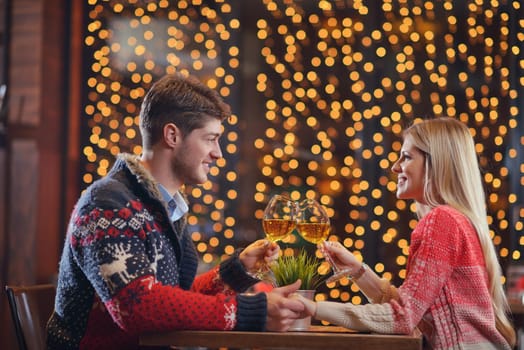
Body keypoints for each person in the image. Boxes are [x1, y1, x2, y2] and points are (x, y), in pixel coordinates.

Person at [46, 73, 304, 350]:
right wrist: (252, 311)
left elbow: (172, 300)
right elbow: (138, 308)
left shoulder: (165, 208)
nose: (218, 153)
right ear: (172, 135)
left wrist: (235, 272)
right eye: (210, 139)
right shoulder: (107, 203)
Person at [294, 117, 516, 349]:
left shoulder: (441, 221)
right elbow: (413, 306)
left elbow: (403, 317)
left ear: (435, 163)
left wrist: (314, 308)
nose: (395, 167)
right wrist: (358, 272)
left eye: (407, 157)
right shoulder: (457, 219)